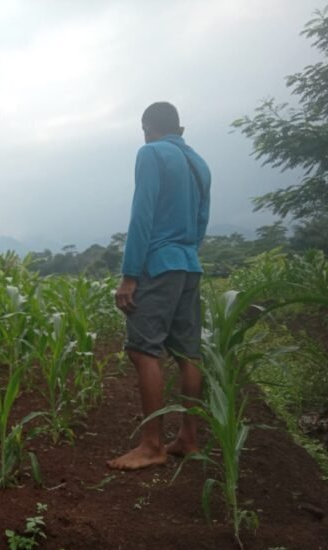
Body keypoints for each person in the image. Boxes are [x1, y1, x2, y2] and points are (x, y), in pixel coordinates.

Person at [108, 101, 211, 470]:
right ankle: (189, 438)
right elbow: (201, 221)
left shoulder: (151, 153)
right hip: (188, 264)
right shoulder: (199, 163)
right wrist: (185, 255)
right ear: (179, 129)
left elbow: (143, 213)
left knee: (143, 350)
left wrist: (130, 273)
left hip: (159, 263)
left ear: (147, 128)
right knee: (188, 353)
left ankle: (152, 445)